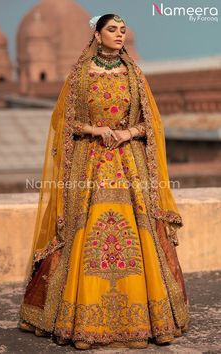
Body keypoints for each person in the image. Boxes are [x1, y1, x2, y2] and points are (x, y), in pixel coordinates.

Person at [18, 13, 189, 350]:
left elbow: (150, 124)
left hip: (130, 166)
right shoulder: (80, 76)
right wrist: (96, 130)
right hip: (89, 165)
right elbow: (65, 122)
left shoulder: (135, 76)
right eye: (112, 29)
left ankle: (143, 322)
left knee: (137, 233)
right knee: (86, 232)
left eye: (123, 30)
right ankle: (79, 322)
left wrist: (127, 132)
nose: (119, 34)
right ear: (96, 35)